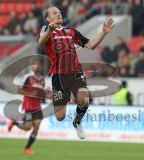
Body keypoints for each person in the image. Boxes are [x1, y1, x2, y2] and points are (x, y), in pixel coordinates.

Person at [38, 6, 114, 139]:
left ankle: (77, 121)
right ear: (48, 18)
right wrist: (50, 28)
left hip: (75, 72)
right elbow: (41, 42)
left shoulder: (71, 31)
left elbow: (91, 45)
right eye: (54, 13)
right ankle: (64, 99)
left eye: (60, 12)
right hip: (58, 75)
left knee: (84, 100)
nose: (58, 14)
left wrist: (103, 32)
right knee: (60, 116)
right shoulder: (46, 30)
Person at [8, 59, 45, 155]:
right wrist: (30, 93)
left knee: (37, 126)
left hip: (37, 106)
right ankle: (14, 123)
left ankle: (27, 149)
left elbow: (42, 93)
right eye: (32, 65)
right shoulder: (27, 77)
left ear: (39, 67)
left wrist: (44, 95)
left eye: (35, 64)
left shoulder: (42, 80)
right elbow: (19, 90)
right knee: (27, 127)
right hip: (28, 106)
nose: (34, 66)